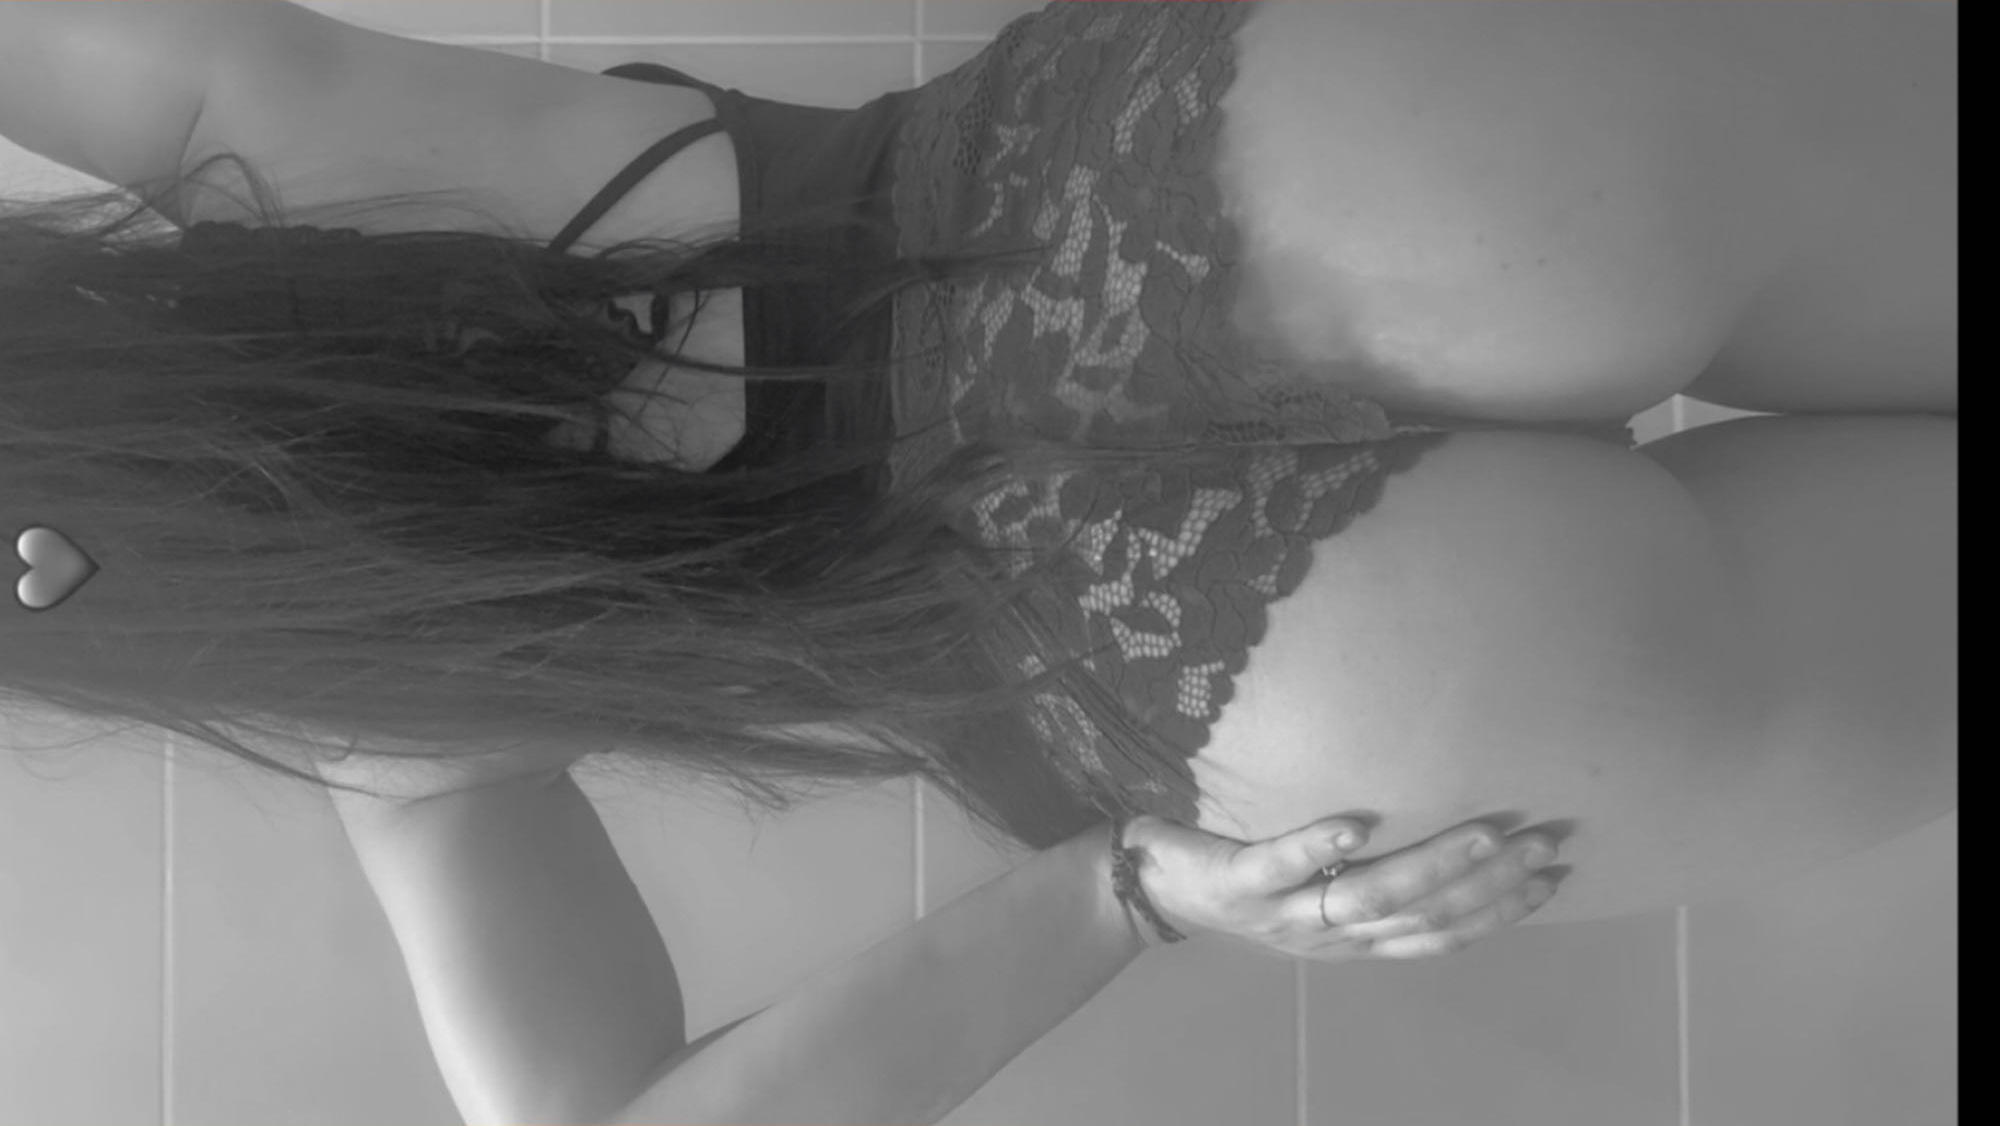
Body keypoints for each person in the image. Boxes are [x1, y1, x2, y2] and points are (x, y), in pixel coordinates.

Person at [0, 2, 1954, 1124]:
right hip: (1199, 178)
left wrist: (1119, 897)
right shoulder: (246, 115)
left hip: (1222, 666)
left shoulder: (385, 725)